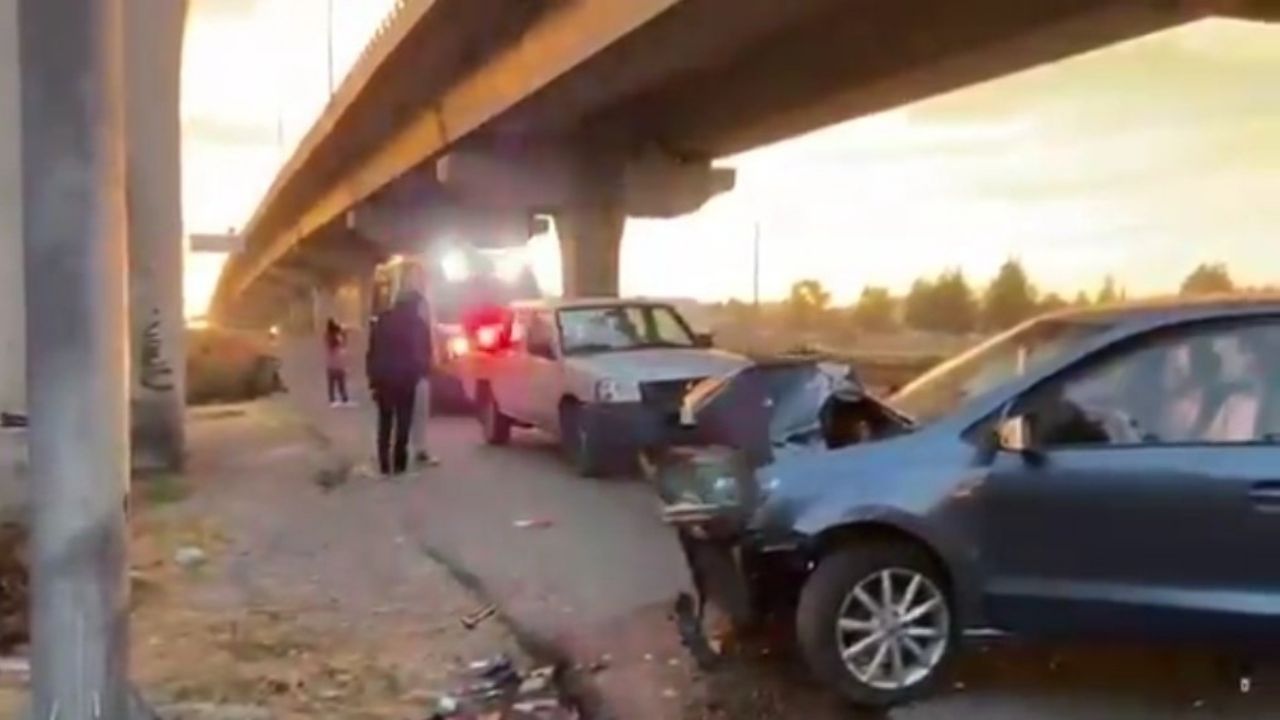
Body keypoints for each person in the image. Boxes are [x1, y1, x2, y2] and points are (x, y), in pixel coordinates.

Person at [367, 290, 432, 476]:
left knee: (385, 423)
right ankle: (399, 463)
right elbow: (424, 352)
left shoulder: (382, 322)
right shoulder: (418, 325)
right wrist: (421, 372)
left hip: (384, 380)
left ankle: (384, 464)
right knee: (403, 422)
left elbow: (372, 352)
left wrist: (372, 379)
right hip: (406, 380)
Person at [324, 318, 352, 407]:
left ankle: (333, 399)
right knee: (340, 383)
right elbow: (343, 343)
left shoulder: (327, 336)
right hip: (338, 364)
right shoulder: (335, 337)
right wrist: (343, 334)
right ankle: (343, 398)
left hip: (331, 364)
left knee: (332, 383)